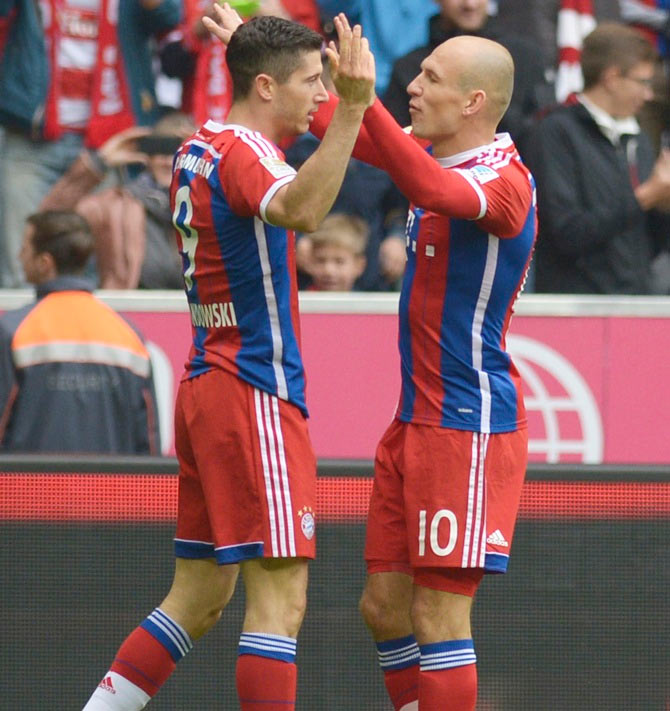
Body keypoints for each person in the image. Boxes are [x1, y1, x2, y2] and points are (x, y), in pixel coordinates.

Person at [80, 8, 375, 711]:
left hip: (208, 381)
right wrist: (355, 112)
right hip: (254, 390)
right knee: (282, 600)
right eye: (312, 82)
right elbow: (302, 210)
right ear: (266, 86)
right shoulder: (248, 153)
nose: (321, 97)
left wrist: (255, 48)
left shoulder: (200, 145)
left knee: (200, 596)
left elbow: (263, 124)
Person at [308, 16, 537, 711]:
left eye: (430, 78)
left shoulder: (505, 181)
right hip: (415, 421)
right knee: (383, 606)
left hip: (466, 426)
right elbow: (339, 126)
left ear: (473, 102)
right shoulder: (434, 155)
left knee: (439, 618)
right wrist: (251, 58)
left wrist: (363, 97)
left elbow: (431, 189)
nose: (413, 86)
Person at [0, 0, 181, 288]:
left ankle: (86, 331)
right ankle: (20, 333)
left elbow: (169, 14)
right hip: (30, 137)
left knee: (97, 268)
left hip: (106, 143)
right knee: (20, 261)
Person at [0, 211, 160, 454]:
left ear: (45, 263)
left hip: (27, 491)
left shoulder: (13, 331)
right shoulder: (128, 336)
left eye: (25, 249)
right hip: (112, 492)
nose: (20, 258)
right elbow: (148, 444)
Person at [528, 22, 670, 294]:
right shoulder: (554, 132)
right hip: (575, 310)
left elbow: (653, 242)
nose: (649, 94)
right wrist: (645, 197)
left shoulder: (638, 137)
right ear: (611, 78)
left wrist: (664, 205)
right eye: (642, 82)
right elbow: (565, 232)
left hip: (637, 303)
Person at [41, 112, 196, 289]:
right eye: (161, 150)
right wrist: (99, 162)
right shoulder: (117, 205)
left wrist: (213, 168)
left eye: (179, 152)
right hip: (127, 312)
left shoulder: (211, 208)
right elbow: (47, 223)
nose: (169, 161)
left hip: (199, 314)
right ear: (148, 154)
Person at [382, 0, 551, 155]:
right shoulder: (409, 67)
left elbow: (542, 140)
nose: (470, 4)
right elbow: (392, 148)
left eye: (432, 78)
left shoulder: (525, 57)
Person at [300, 212, 368, 290]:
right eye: (320, 261)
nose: (329, 271)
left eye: (339, 261)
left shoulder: (369, 301)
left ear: (359, 265)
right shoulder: (299, 299)